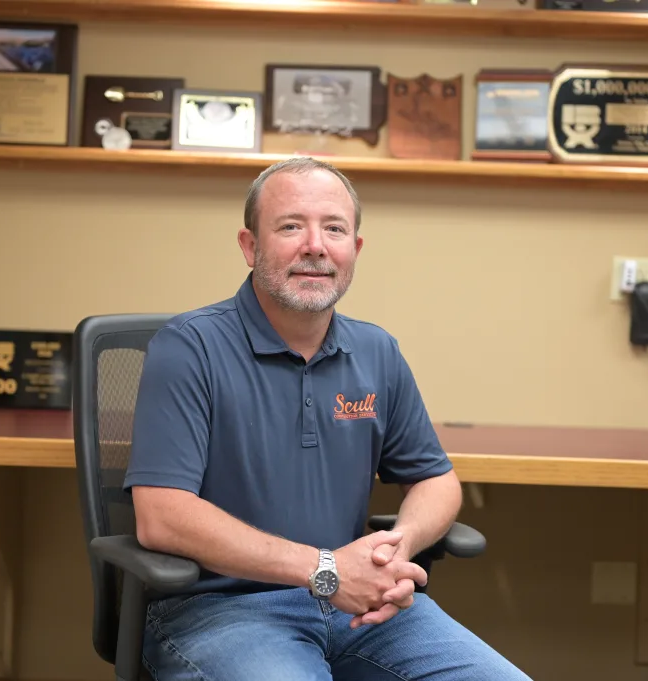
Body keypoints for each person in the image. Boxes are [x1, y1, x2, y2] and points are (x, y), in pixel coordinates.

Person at [123, 156, 532, 681]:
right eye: (291, 226)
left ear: (354, 250)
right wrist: (325, 570)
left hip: (359, 611)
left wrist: (394, 551)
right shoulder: (189, 348)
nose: (315, 246)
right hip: (221, 611)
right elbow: (162, 515)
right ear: (250, 247)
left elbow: (435, 480)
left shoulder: (376, 350)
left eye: (334, 228)